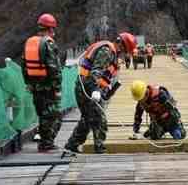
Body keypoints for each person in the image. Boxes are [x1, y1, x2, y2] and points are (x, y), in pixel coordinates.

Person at [64, 32, 137, 154]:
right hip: (86, 87)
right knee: (99, 118)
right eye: (126, 51)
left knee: (88, 118)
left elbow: (105, 78)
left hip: (92, 88)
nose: (125, 55)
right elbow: (95, 72)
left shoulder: (113, 55)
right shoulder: (107, 51)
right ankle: (99, 148)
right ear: (122, 46)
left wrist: (107, 91)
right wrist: (96, 90)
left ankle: (72, 144)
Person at [22, 13, 63, 152]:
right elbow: (53, 67)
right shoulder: (48, 43)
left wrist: (28, 83)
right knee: (54, 115)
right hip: (49, 87)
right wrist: (57, 87)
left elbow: (24, 65)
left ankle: (45, 142)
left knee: (42, 114)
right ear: (50, 28)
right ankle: (46, 144)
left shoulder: (30, 42)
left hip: (35, 86)